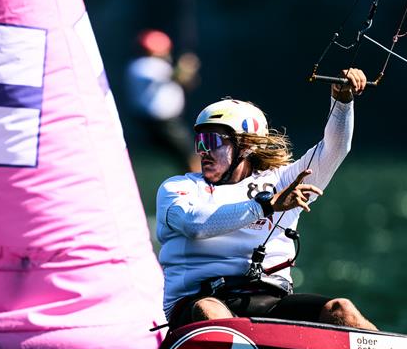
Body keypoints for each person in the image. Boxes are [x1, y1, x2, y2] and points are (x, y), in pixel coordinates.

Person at [156, 68, 378, 331]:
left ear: (246, 147)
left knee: (342, 310)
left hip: (270, 300)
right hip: (198, 305)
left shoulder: (282, 181)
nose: (203, 151)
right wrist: (267, 205)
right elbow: (195, 225)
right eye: (200, 142)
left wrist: (342, 103)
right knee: (209, 309)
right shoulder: (178, 187)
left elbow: (334, 149)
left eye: (213, 141)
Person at [125, 29, 201, 172]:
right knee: (190, 157)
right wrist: (185, 65)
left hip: (164, 122)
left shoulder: (149, 64)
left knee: (186, 157)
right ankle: (201, 186)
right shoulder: (144, 64)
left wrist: (187, 69)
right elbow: (175, 76)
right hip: (161, 123)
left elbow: (184, 81)